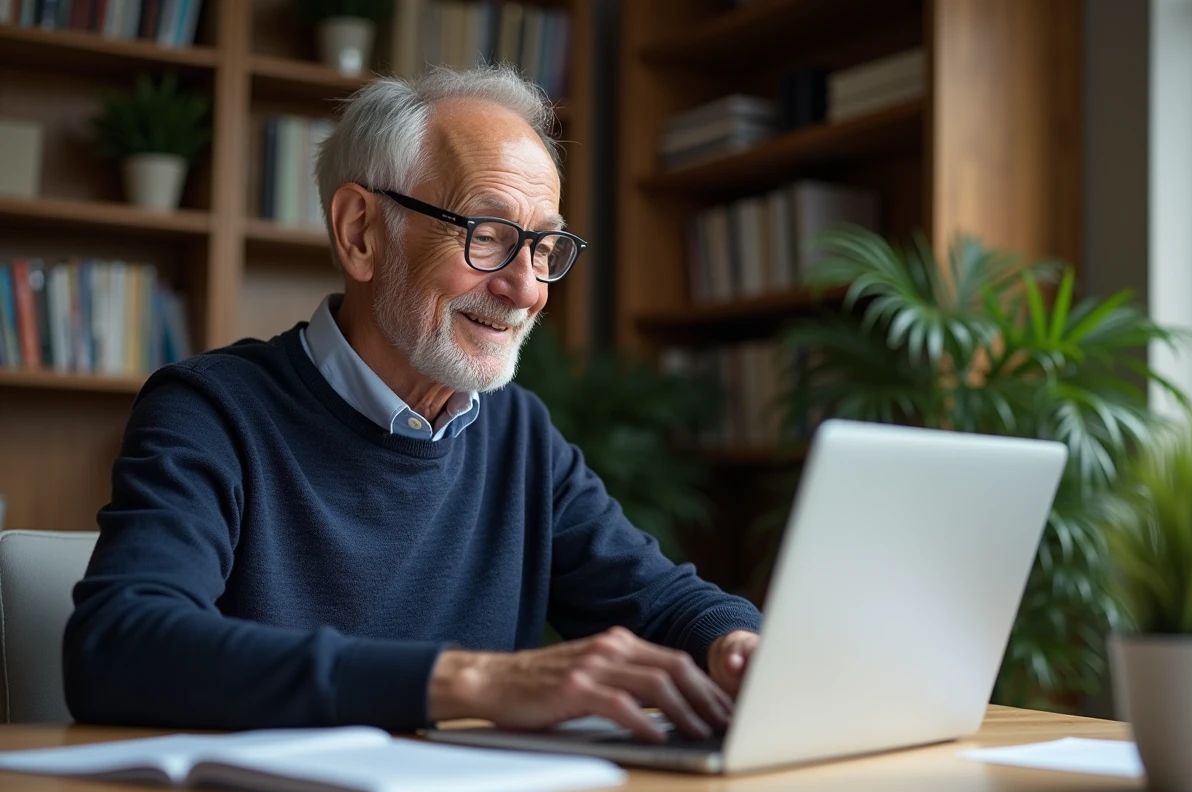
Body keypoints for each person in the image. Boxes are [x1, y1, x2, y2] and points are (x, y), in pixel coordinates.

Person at [64, 66, 762, 743]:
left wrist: (737, 645)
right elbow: (121, 647)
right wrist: (471, 682)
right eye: (487, 235)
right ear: (361, 232)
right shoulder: (212, 411)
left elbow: (663, 603)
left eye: (544, 247)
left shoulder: (518, 432)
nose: (527, 289)